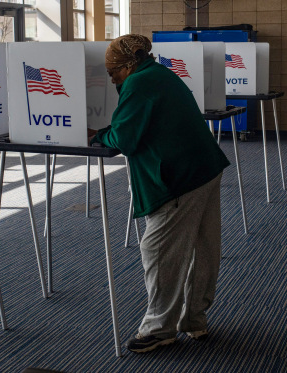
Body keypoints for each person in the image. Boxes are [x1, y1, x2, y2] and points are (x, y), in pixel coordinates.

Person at [90, 34, 230, 353]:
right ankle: (194, 319)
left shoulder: (140, 83)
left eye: (113, 73)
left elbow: (124, 138)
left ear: (128, 66)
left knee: (159, 249)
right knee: (202, 248)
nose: (112, 79)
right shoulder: (161, 73)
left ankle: (159, 327)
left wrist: (99, 134)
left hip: (178, 177)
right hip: (204, 167)